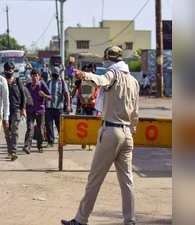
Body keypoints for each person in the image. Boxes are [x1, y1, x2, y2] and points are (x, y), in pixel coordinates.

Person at [61, 46, 139, 225]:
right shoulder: (133, 81)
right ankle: (130, 220)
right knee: (127, 181)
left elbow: (102, 80)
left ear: (108, 59)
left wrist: (84, 75)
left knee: (95, 179)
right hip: (127, 133)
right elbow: (136, 112)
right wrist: (131, 132)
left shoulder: (114, 74)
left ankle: (81, 220)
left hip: (111, 131)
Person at [23, 68, 52, 154]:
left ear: (39, 77)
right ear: (31, 77)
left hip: (40, 110)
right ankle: (27, 146)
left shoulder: (42, 86)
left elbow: (50, 97)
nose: (35, 78)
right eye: (33, 76)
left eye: (36, 76)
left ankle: (40, 145)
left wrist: (44, 95)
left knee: (40, 129)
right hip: (30, 110)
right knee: (30, 128)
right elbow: (23, 96)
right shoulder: (27, 86)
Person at [3, 61, 27, 161]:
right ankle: (9, 151)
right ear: (4, 71)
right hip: (4, 111)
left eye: (11, 70)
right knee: (7, 132)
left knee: (14, 130)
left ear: (13, 70)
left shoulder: (17, 81)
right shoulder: (2, 81)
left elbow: (23, 95)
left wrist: (23, 109)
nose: (9, 71)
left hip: (16, 109)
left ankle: (13, 151)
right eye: (7, 70)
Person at [44, 67, 70, 148]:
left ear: (59, 73)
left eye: (57, 72)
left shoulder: (62, 82)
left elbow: (67, 94)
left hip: (59, 108)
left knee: (60, 125)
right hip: (49, 108)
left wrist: (68, 105)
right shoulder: (48, 83)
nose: (55, 73)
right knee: (49, 125)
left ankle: (62, 140)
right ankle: (51, 142)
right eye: (54, 71)